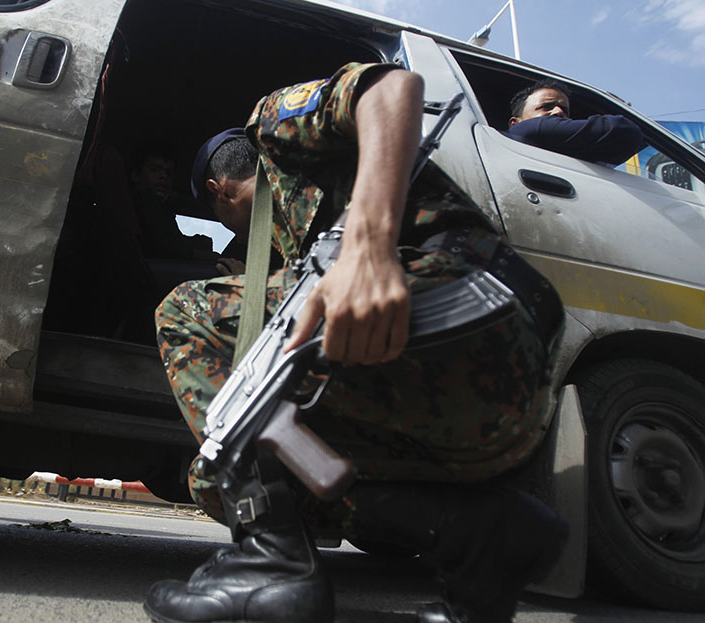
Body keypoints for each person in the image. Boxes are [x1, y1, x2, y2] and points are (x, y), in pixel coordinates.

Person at [148, 63, 568, 623]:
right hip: (501, 400)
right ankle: (480, 533)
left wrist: (367, 242)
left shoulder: (271, 129)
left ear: (217, 190)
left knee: (184, 311)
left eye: (221, 215)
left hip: (472, 308)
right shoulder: (300, 239)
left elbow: (391, 87)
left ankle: (272, 564)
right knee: (237, 469)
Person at [507, 78, 645, 165]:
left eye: (565, 110)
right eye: (546, 107)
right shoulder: (523, 130)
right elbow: (624, 130)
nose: (558, 112)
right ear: (515, 123)